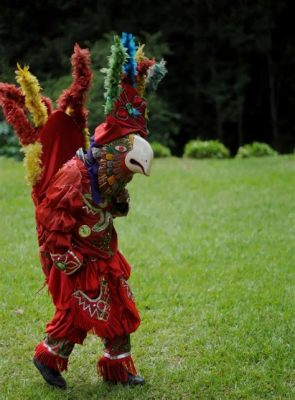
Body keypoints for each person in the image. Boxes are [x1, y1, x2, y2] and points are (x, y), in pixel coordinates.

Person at [0, 33, 167, 389]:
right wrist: (67, 258)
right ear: (113, 149)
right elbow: (50, 220)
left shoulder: (112, 173)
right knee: (79, 310)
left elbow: (112, 207)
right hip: (77, 256)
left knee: (120, 306)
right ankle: (48, 356)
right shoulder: (74, 175)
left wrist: (119, 203)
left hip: (105, 252)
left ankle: (118, 368)